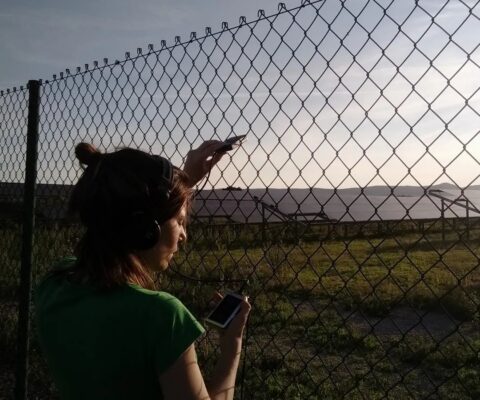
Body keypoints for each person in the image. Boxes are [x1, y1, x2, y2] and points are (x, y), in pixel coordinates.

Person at [34, 141, 251, 400]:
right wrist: (232, 347)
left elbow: (122, 213)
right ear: (147, 230)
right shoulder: (162, 317)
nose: (184, 236)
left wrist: (181, 183)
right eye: (181, 222)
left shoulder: (53, 285)